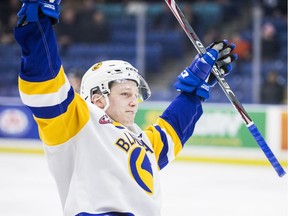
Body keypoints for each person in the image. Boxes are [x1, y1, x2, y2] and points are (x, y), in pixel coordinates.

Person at [14, 1, 237, 216]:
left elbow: (172, 129)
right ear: (98, 99)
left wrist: (194, 90)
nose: (134, 101)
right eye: (125, 94)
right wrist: (38, 22)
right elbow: (44, 80)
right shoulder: (77, 124)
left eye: (135, 95)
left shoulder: (143, 141)